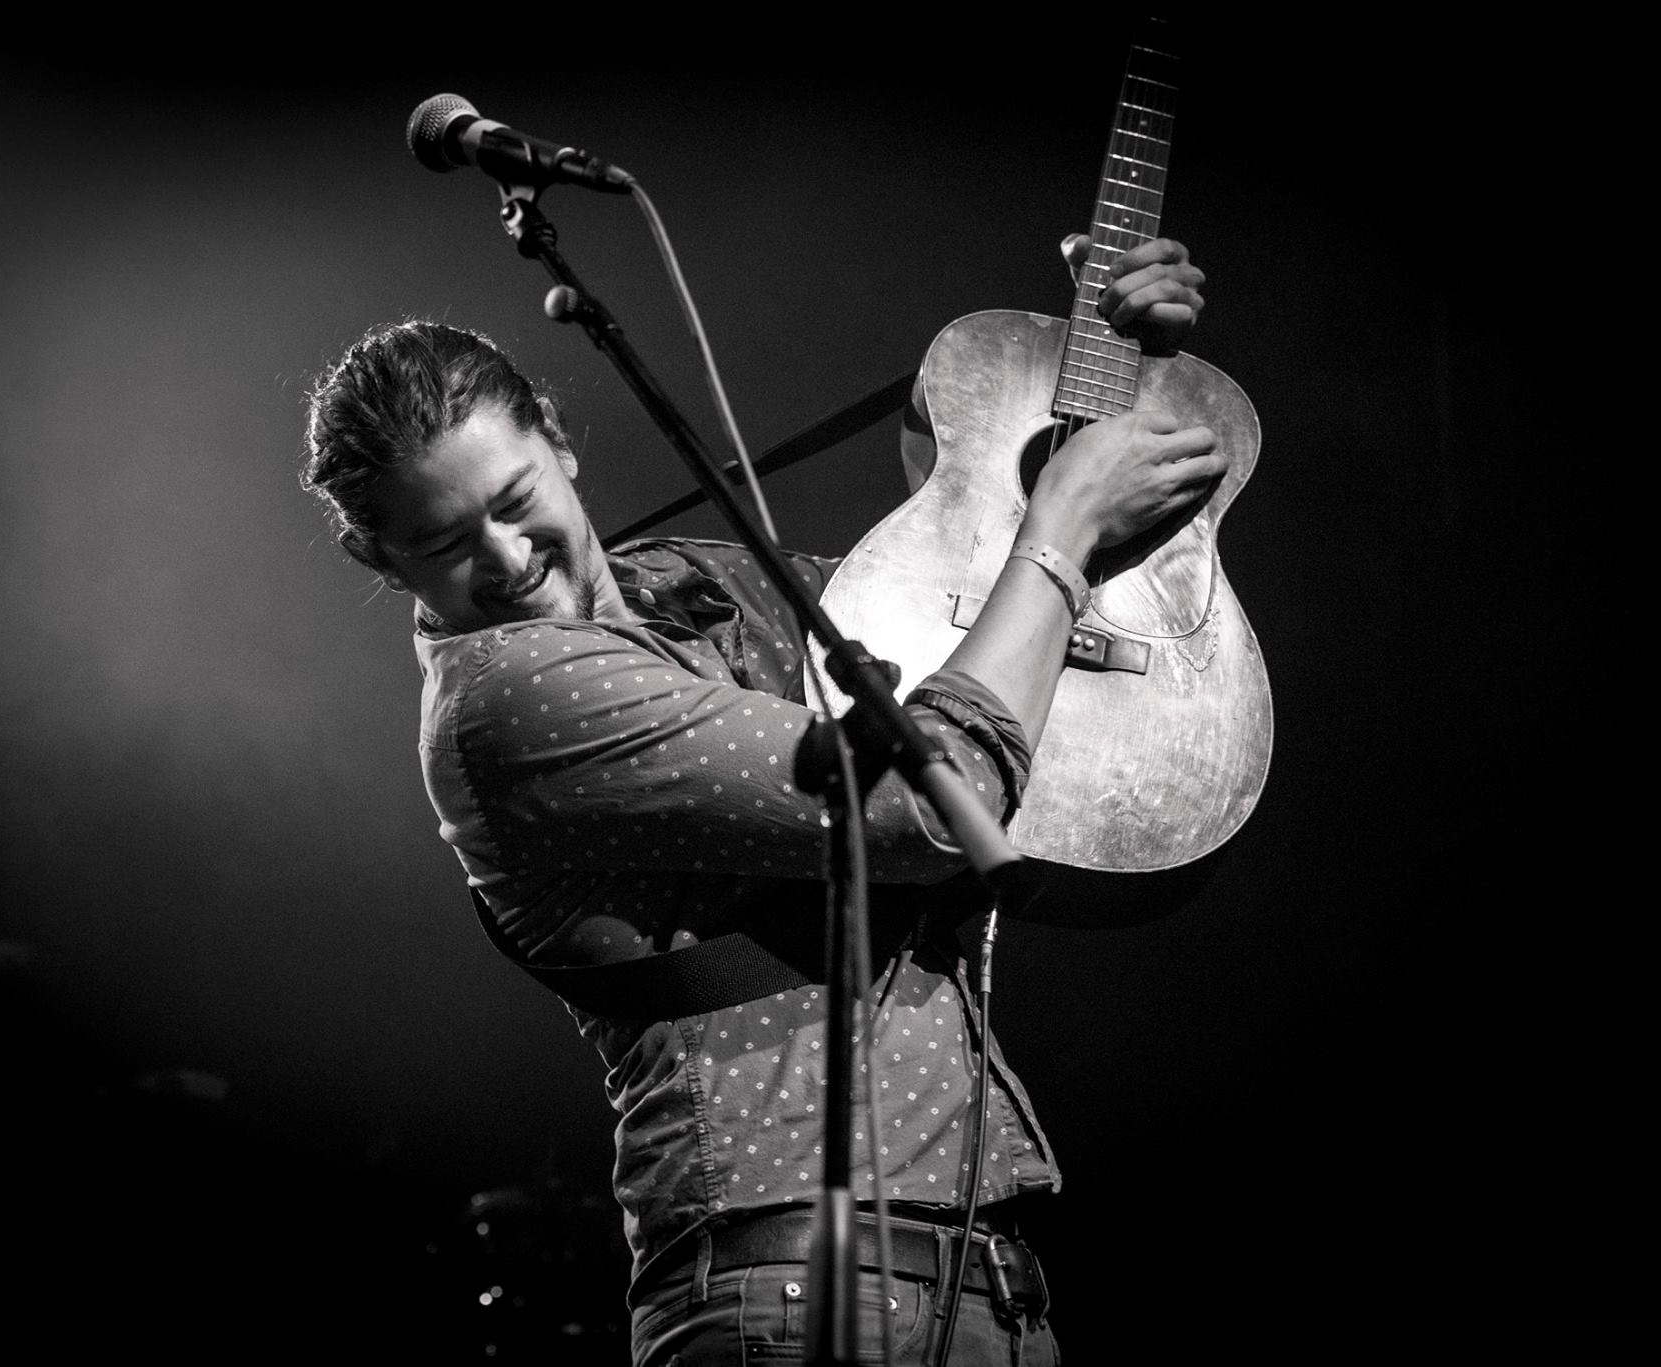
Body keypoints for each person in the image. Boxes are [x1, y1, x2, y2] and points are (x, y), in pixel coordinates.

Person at [301, 235, 1219, 1365]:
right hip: (788, 1293)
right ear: (379, 559)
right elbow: (932, 800)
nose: (503, 555)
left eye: (512, 499)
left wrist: (1094, 377)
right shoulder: (506, 700)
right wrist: (1063, 528)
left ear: (560, 442)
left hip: (973, 1281)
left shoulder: (702, 585)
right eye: (445, 543)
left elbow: (982, 624)